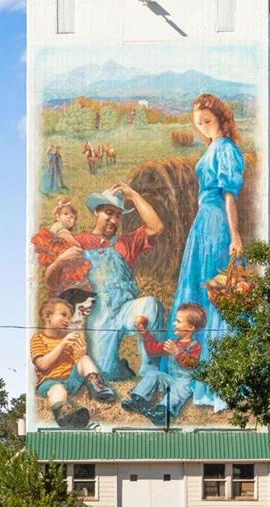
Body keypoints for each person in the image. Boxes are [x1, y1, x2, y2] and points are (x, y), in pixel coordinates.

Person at [45, 184, 166, 381]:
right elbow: (50, 282)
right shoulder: (78, 241)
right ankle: (119, 367)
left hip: (126, 308)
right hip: (98, 316)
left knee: (151, 305)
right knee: (106, 372)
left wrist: (133, 195)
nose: (113, 219)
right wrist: (59, 262)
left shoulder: (126, 242)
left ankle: (151, 374)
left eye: (118, 215)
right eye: (108, 213)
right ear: (96, 212)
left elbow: (156, 227)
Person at [171, 93, 245, 410]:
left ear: (220, 120)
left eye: (207, 121)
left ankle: (217, 380)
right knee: (201, 287)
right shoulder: (212, 146)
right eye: (198, 122)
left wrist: (235, 235)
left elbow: (229, 196)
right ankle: (195, 371)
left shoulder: (226, 148)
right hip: (204, 222)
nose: (202, 126)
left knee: (217, 293)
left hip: (217, 222)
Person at [30, 297, 116, 427]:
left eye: (69, 317)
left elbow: (78, 363)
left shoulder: (69, 338)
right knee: (58, 390)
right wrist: (62, 344)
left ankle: (97, 386)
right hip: (50, 381)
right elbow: (42, 364)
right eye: (63, 315)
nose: (67, 320)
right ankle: (63, 413)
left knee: (85, 359)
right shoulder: (38, 338)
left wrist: (82, 353)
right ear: (48, 316)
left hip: (71, 380)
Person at [123, 305, 206, 427]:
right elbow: (153, 350)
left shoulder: (195, 346)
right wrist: (145, 334)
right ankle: (139, 399)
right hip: (171, 379)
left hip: (185, 383)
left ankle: (162, 412)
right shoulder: (172, 343)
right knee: (153, 373)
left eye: (178, 321)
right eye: (175, 320)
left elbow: (192, 364)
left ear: (190, 327)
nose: (174, 323)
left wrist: (177, 353)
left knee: (178, 390)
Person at [32, 199, 89, 290]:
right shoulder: (58, 226)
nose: (69, 218)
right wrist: (78, 246)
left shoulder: (64, 229)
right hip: (55, 250)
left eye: (72, 217)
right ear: (57, 216)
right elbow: (70, 240)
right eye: (66, 214)